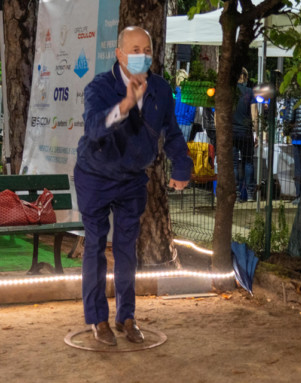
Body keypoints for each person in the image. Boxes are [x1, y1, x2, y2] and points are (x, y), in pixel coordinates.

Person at [74, 26, 192, 346]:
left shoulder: (161, 90)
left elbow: (173, 133)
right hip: (95, 175)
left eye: (146, 49)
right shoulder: (99, 87)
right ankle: (97, 318)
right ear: (119, 54)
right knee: (96, 246)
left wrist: (182, 166)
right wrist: (126, 103)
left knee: (127, 249)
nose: (141, 55)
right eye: (134, 49)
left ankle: (126, 316)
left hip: (131, 179)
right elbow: (95, 128)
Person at [232, 67, 258, 202]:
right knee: (248, 162)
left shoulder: (231, 92)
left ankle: (236, 193)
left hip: (232, 132)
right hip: (246, 132)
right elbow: (254, 114)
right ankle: (249, 194)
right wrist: (256, 132)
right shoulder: (250, 93)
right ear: (246, 78)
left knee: (234, 164)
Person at [283, 97, 301, 205]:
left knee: (299, 169)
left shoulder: (294, 99)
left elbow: (290, 118)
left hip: (298, 138)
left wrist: (286, 131)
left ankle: (299, 195)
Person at [174, 69, 197, 142]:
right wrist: (188, 120)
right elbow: (192, 110)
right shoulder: (190, 94)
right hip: (186, 124)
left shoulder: (173, 93)